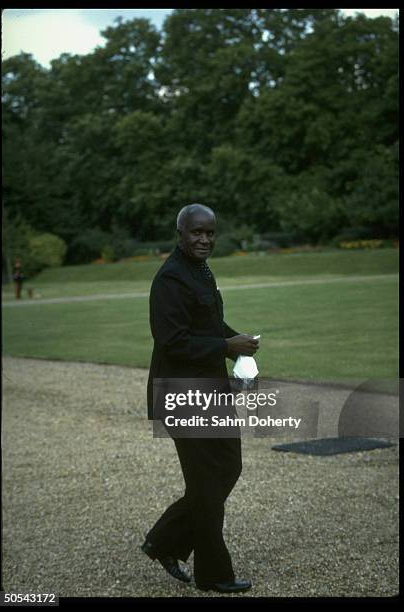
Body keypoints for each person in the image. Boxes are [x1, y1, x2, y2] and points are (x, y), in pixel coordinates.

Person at [142, 203, 259, 594]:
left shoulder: (200, 271)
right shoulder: (170, 279)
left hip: (210, 390)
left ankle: (164, 540)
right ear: (180, 233)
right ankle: (214, 573)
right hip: (181, 392)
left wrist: (237, 342)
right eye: (196, 232)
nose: (204, 239)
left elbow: (206, 324)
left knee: (226, 468)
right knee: (208, 480)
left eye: (210, 232)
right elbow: (172, 340)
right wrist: (226, 345)